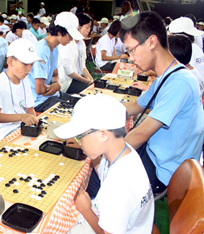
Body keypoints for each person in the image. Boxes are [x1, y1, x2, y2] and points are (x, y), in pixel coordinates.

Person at [120, 12, 204, 194]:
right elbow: (136, 106)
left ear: (151, 42)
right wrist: (101, 111)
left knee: (98, 179)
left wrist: (107, 154)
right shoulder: (167, 76)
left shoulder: (179, 82)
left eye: (132, 50)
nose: (131, 58)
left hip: (164, 170)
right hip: (155, 154)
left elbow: (141, 133)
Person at [54, 95, 154, 234]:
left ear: (103, 134)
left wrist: (86, 209)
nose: (80, 142)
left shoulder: (120, 185)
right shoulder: (124, 151)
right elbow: (103, 172)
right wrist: (88, 148)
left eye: (80, 136)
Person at [0, 39, 43, 140]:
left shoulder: (24, 81)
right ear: (10, 61)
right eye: (25, 64)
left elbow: (30, 109)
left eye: (32, 64)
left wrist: (33, 121)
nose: (29, 69)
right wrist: (22, 117)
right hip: (5, 130)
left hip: (22, 126)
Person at [27, 12, 83, 112]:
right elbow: (39, 90)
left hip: (50, 95)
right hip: (38, 100)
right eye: (70, 35)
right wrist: (55, 86)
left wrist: (57, 84)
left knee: (81, 102)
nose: (71, 39)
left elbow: (55, 74)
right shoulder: (41, 51)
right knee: (74, 111)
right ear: (59, 32)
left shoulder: (55, 47)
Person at [58, 13, 94, 94]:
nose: (88, 31)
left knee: (93, 87)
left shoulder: (82, 43)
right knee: (88, 91)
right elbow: (68, 71)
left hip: (78, 78)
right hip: (68, 81)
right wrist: (85, 80)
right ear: (79, 26)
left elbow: (82, 67)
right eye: (87, 27)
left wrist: (91, 79)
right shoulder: (67, 42)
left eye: (90, 28)